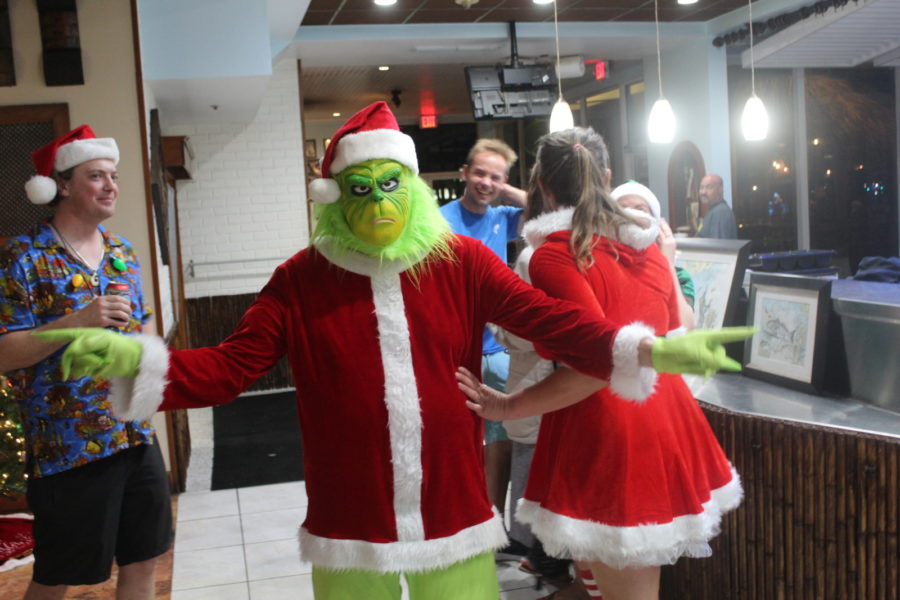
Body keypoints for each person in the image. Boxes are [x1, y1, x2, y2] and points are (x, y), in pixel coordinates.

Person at [38, 104, 748, 600]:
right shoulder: (301, 279)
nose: (376, 201)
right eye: (359, 188)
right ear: (335, 196)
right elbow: (231, 365)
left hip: (452, 511)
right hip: (351, 519)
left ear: (409, 187)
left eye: (388, 185)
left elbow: (553, 323)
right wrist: (139, 361)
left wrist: (650, 352)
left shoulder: (463, 262)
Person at [457, 127, 747, 600]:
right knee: (605, 585)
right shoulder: (647, 245)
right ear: (607, 176)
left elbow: (598, 364)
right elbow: (672, 326)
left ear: (543, 186)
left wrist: (507, 407)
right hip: (660, 420)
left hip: (609, 433)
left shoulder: (553, 255)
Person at [0, 125, 172, 600]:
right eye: (97, 175)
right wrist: (76, 320)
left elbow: (142, 332)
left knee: (144, 556)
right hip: (68, 445)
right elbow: (3, 351)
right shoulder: (23, 257)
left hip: (134, 433)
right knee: (59, 573)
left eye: (113, 175)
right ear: (63, 186)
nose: (112, 185)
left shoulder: (123, 253)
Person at [439, 139, 526, 539]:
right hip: (454, 350)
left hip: (497, 349)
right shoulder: (440, 219)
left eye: (495, 176)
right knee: (458, 441)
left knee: (501, 439)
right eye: (479, 173)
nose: (485, 182)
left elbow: (551, 212)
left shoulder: (504, 216)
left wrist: (505, 189)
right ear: (464, 173)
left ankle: (494, 526)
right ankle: (463, 520)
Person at [610, 181, 696, 332]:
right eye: (622, 209)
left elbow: (686, 327)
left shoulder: (680, 276)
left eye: (640, 209)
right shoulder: (599, 266)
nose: (631, 215)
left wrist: (667, 263)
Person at [695, 174, 737, 239]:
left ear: (720, 190)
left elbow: (718, 246)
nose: (703, 192)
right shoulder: (713, 210)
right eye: (701, 187)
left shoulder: (721, 212)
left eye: (709, 187)